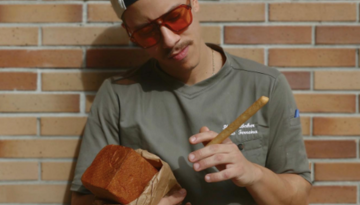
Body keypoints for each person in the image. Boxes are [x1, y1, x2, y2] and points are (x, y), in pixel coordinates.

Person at [71, 0, 312, 204]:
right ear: (129, 33)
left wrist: (252, 173)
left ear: (194, 2)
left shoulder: (265, 85)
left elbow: (299, 195)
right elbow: (82, 199)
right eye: (147, 32)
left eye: (176, 17)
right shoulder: (118, 95)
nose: (169, 39)